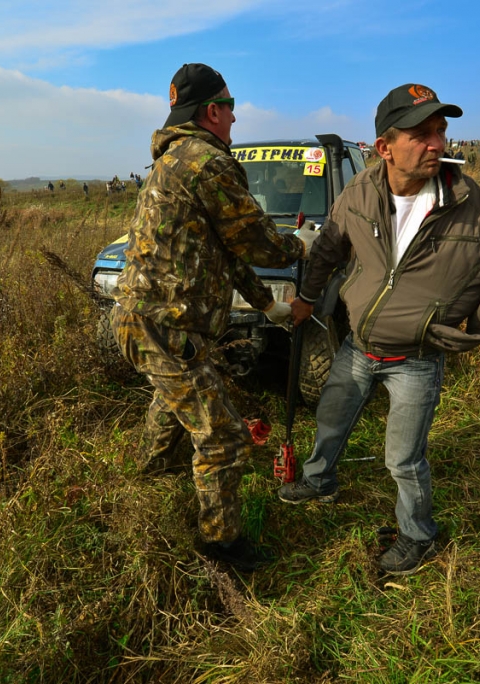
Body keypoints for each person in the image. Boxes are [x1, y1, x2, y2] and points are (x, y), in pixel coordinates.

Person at [278, 84, 480, 575]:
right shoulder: (360, 191)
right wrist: (307, 298)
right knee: (331, 418)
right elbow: (327, 251)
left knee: (404, 460)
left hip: (416, 359)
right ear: (384, 147)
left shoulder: (472, 206)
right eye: (421, 134)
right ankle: (320, 482)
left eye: (440, 131)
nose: (437, 143)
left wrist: (451, 337)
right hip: (359, 346)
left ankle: (418, 534)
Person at [111, 63, 318, 572]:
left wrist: (267, 305)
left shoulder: (172, 160)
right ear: (212, 111)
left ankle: (149, 485)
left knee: (172, 403)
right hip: (167, 327)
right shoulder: (208, 162)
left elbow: (225, 252)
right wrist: (300, 245)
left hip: (146, 322)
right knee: (224, 437)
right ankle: (221, 551)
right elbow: (256, 243)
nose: (234, 118)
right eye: (230, 107)